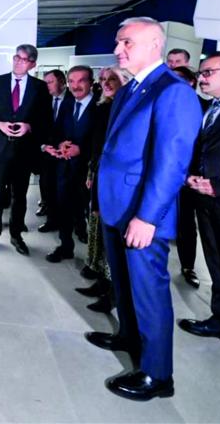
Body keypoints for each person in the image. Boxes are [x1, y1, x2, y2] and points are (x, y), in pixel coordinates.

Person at [85, 17, 202, 401]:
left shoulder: (173, 91)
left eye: (126, 42)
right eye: (118, 42)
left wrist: (147, 217)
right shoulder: (131, 89)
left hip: (142, 214)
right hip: (117, 206)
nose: (117, 49)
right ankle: (128, 336)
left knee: (149, 291)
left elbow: (171, 163)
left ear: (154, 44)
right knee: (123, 282)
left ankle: (157, 374)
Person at [179, 51, 220, 380]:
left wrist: (219, 185)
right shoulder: (208, 108)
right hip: (206, 202)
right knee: (219, 265)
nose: (201, 78)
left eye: (208, 72)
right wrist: (191, 176)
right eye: (201, 73)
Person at [0, 44, 51, 256]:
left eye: (24, 59)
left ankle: (16, 235)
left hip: (24, 149)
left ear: (32, 64)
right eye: (16, 57)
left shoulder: (39, 87)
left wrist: (29, 126)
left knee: (19, 196)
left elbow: (46, 119)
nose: (18, 62)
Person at [75, 66, 130, 313]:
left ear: (125, 81)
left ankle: (113, 292)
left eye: (113, 79)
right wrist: (91, 173)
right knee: (98, 228)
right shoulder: (103, 108)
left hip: (116, 181)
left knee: (113, 237)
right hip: (99, 175)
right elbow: (96, 146)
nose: (106, 83)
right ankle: (102, 281)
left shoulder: (128, 109)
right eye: (103, 79)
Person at [44, 66, 96, 263]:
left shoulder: (101, 107)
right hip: (65, 167)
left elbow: (104, 141)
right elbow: (57, 131)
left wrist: (81, 149)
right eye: (72, 81)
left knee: (89, 212)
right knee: (63, 207)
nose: (76, 86)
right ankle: (66, 246)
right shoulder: (67, 104)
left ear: (91, 82)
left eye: (81, 80)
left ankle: (94, 259)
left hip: (89, 170)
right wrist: (60, 144)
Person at [171, 65, 208, 289]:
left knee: (186, 223)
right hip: (164, 174)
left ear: (191, 82)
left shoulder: (206, 108)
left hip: (190, 177)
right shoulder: (162, 105)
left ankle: (188, 266)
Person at [37, 69, 69, 232]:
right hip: (47, 153)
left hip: (68, 153)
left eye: (50, 82)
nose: (47, 86)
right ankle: (51, 220)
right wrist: (43, 146)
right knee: (47, 187)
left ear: (62, 82)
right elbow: (37, 126)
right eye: (46, 83)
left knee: (67, 191)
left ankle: (73, 225)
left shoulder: (74, 99)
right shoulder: (43, 100)